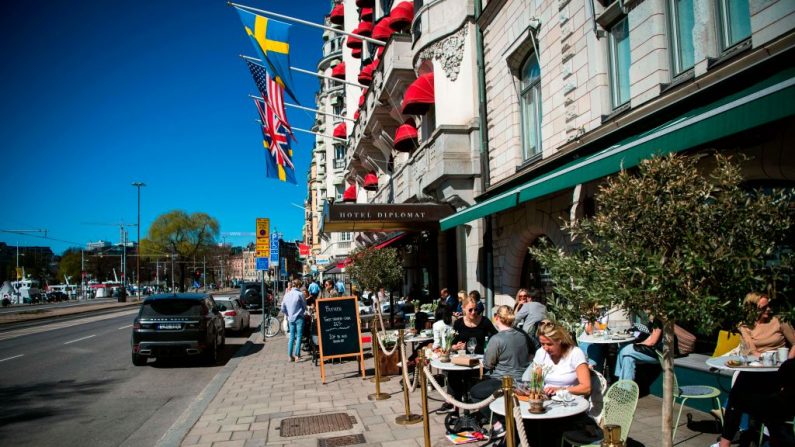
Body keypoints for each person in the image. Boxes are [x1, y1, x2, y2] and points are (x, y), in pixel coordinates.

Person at [715, 293, 795, 447]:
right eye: (763, 308)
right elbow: (752, 351)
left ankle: (759, 433)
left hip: (777, 372)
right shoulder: (744, 324)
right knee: (735, 398)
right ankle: (725, 443)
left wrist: (788, 364)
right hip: (755, 370)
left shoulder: (779, 320)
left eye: (769, 305)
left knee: (745, 398)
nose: (769, 310)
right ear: (751, 309)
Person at [521, 320, 593, 447]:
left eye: (549, 344)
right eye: (542, 343)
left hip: (571, 406)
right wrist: (534, 391)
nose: (545, 348)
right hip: (548, 403)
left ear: (559, 340)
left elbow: (586, 387)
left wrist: (560, 390)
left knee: (545, 427)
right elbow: (536, 382)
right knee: (525, 423)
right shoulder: (541, 353)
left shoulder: (575, 353)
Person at [469, 306, 532, 434]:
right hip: (523, 378)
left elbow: (488, 364)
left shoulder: (497, 339)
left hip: (503, 380)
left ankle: (498, 424)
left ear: (497, 318)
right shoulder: (522, 335)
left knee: (474, 393)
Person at [440, 296, 498, 413]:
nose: (473, 312)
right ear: (463, 309)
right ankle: (453, 404)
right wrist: (454, 347)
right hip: (463, 359)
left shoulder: (484, 321)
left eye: (475, 309)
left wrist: (478, 348)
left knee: (469, 376)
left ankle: (467, 404)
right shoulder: (459, 323)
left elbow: (496, 338)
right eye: (470, 310)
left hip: (479, 360)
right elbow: (453, 343)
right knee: (453, 374)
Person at [614, 314, 662, 381]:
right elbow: (650, 338)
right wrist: (640, 344)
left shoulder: (659, 320)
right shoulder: (654, 320)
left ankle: (617, 377)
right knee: (627, 358)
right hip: (652, 350)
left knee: (625, 349)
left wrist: (638, 344)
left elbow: (652, 342)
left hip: (659, 354)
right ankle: (626, 387)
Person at [281, 279, 307, 362]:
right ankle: (297, 356)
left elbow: (282, 308)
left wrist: (288, 314)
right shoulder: (300, 294)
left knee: (291, 337)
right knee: (299, 336)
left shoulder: (286, 295)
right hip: (299, 317)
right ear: (299, 286)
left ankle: (289, 356)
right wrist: (302, 312)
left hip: (290, 318)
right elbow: (304, 306)